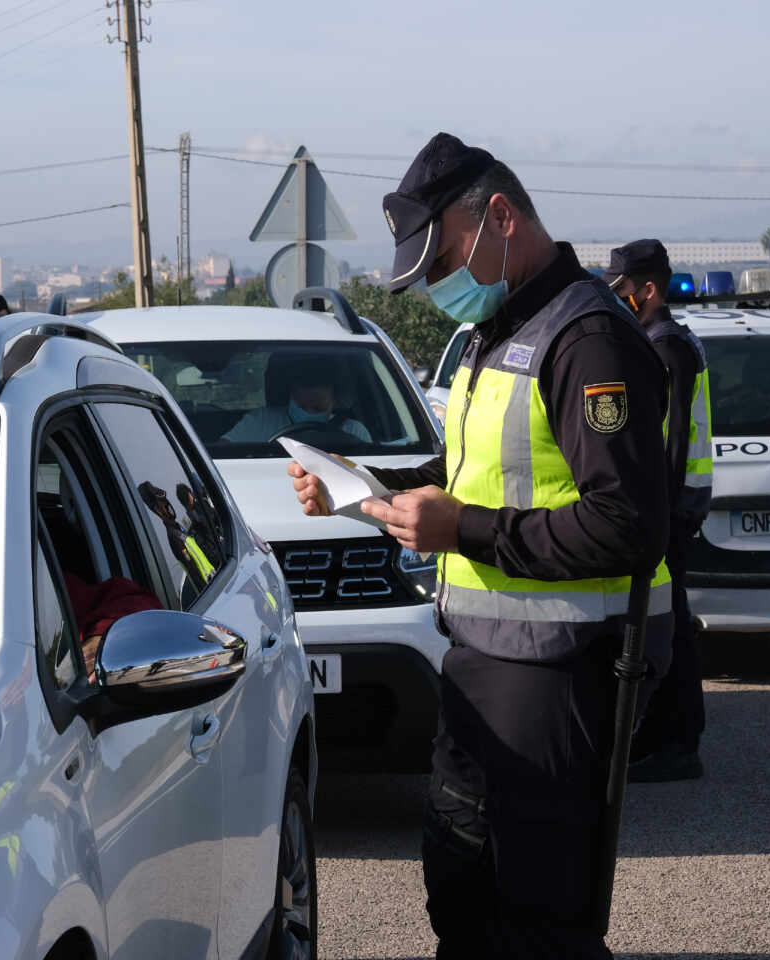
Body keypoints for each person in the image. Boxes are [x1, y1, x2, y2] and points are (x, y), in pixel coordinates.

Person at [288, 133, 673, 958]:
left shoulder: (588, 339)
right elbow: (467, 471)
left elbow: (629, 524)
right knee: (463, 895)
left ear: (500, 215)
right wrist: (368, 491)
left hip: (560, 672)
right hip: (485, 664)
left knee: (536, 920)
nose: (435, 286)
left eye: (441, 261)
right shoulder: (496, 330)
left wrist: (458, 528)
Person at [604, 239, 713, 782]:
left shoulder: (666, 345)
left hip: (674, 502)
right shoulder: (658, 338)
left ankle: (678, 743)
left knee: (670, 627)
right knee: (665, 619)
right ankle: (666, 737)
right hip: (674, 501)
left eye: (623, 291)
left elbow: (671, 442)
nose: (618, 298)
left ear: (647, 289)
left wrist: (659, 509)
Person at [221, 354, 372, 444]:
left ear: (335, 401)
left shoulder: (354, 431)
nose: (309, 412)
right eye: (301, 406)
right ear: (290, 396)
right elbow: (222, 452)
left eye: (318, 408)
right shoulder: (260, 422)